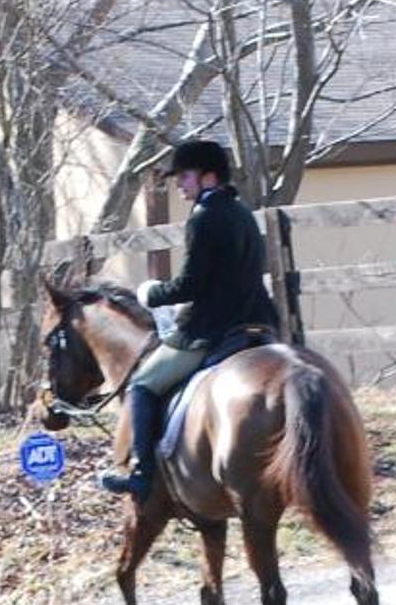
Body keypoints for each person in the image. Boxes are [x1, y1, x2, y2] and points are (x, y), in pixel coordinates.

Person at [97, 138, 279, 505]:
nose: (179, 183)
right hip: (261, 322)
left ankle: (141, 473)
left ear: (208, 176)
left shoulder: (203, 217)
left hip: (214, 327)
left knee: (143, 385)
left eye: (185, 176)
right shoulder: (243, 212)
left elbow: (191, 285)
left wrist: (152, 293)